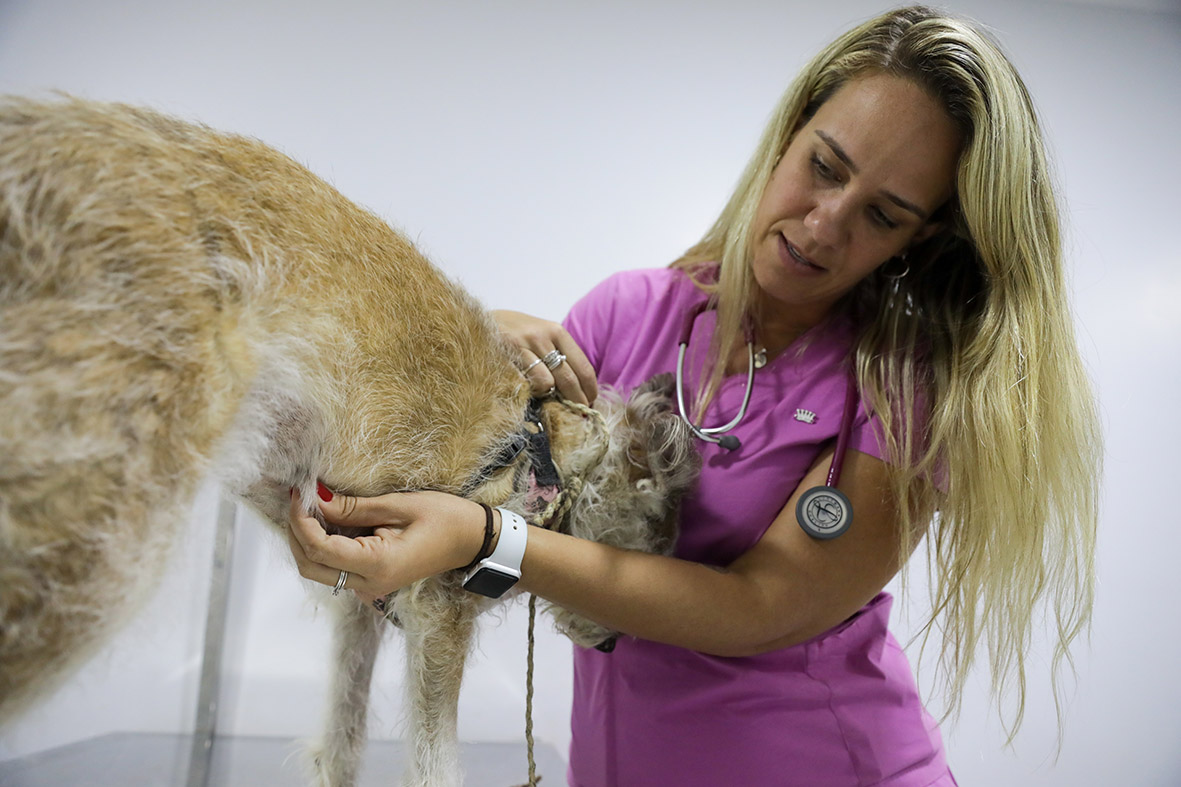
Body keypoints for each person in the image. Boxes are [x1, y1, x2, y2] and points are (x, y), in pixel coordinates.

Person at [286, 6, 1101, 785]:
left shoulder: (900, 391)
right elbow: (519, 510)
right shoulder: (627, 314)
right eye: (824, 167)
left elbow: (757, 608)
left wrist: (479, 538)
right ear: (787, 134)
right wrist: (463, 346)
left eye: (880, 215)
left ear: (919, 239)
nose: (823, 225)